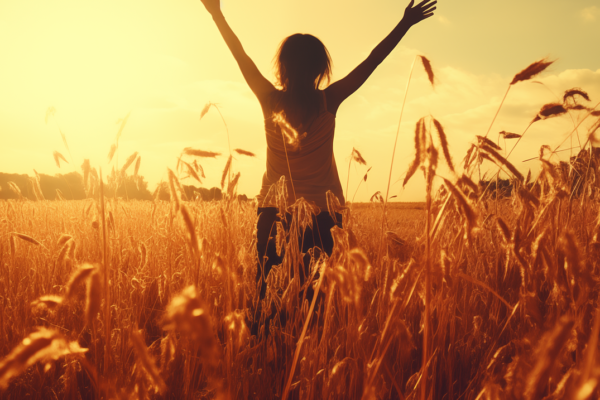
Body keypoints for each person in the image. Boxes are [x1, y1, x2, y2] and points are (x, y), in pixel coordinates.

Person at [199, 0, 437, 308]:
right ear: (320, 69)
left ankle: (266, 352)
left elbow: (240, 55)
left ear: (282, 67)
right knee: (315, 306)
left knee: (267, 301)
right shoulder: (330, 100)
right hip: (323, 218)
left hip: (273, 214)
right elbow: (371, 62)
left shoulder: (268, 99)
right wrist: (404, 24)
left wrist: (216, 13)